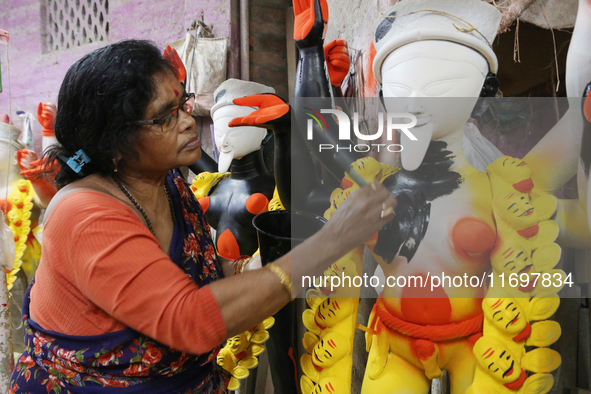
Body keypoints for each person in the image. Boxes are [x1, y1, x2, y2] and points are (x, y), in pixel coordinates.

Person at [8, 39, 396, 393]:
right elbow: (188, 320)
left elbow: (203, 271)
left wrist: (264, 261)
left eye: (183, 104)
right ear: (114, 142)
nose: (188, 121)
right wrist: (335, 239)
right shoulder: (84, 214)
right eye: (164, 117)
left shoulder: (168, 186)